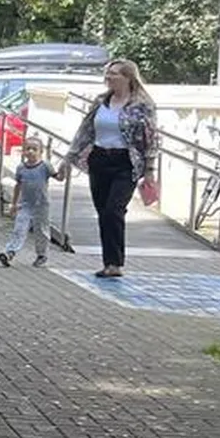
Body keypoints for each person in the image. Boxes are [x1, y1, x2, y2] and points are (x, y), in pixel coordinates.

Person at [64, 56, 159, 278]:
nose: (108, 78)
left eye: (114, 74)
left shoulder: (142, 106)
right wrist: (69, 158)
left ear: (127, 78)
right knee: (102, 212)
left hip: (126, 162)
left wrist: (150, 170)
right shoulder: (100, 102)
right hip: (100, 159)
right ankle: (108, 262)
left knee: (114, 210)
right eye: (108, 73)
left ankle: (116, 263)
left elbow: (151, 138)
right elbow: (85, 131)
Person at [0, 135, 64, 266]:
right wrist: (14, 204)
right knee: (19, 228)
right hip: (25, 204)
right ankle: (9, 252)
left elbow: (59, 178)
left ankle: (42, 255)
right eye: (28, 149)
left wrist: (64, 170)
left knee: (42, 231)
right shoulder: (21, 168)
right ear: (23, 151)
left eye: (34, 149)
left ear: (41, 151)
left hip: (42, 205)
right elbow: (18, 185)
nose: (31, 152)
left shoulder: (45, 166)